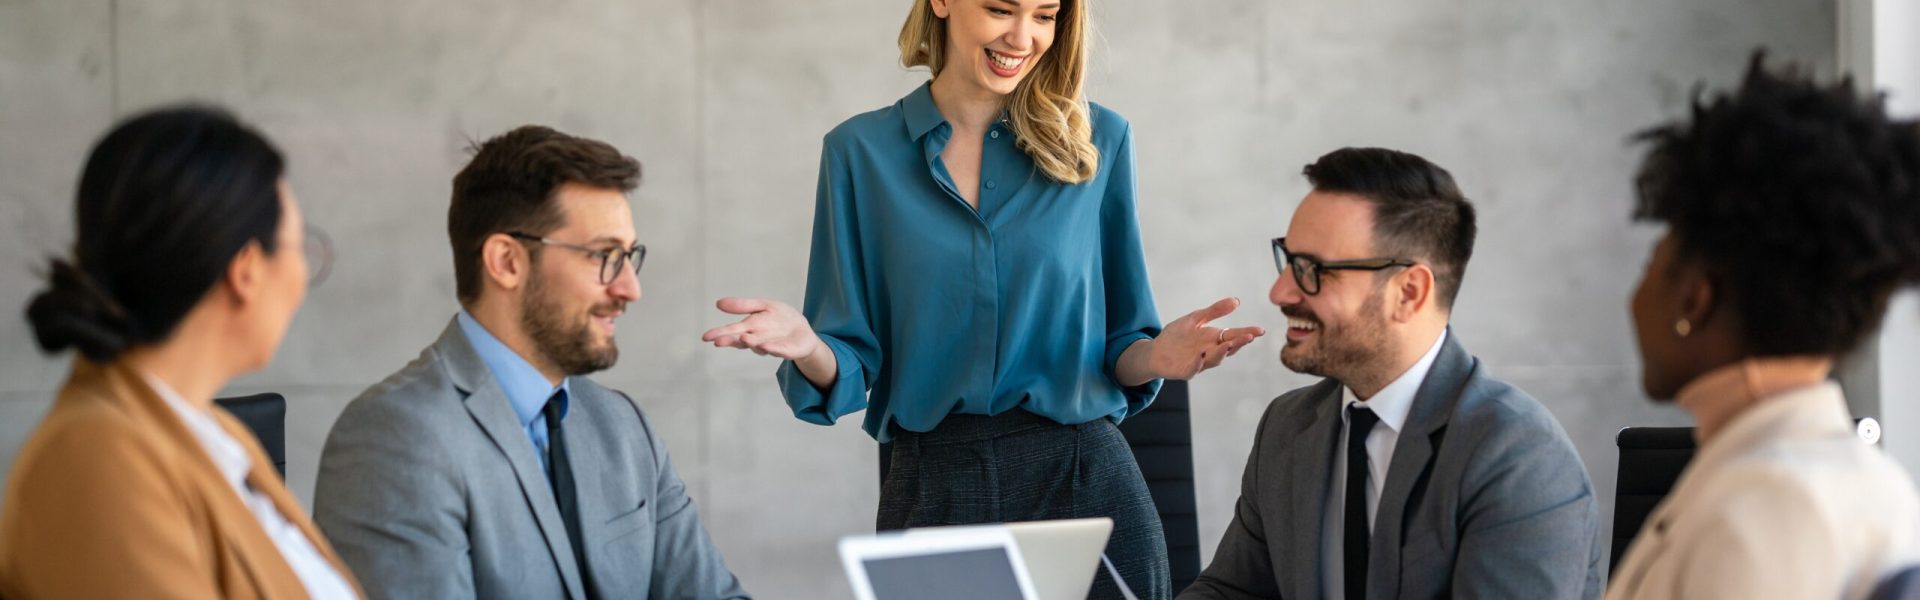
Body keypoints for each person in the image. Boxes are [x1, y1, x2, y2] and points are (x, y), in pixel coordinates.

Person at [700, 0, 1261, 597]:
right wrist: (811, 347)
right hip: (933, 485)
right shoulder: (858, 152)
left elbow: (1123, 345)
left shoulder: (1100, 140)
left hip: (1084, 482)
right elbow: (852, 360)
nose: (1023, 36)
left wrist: (1156, 356)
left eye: (1046, 16)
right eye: (1000, 9)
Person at [313, 125, 747, 599]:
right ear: (506, 262)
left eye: (629, 257)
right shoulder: (394, 438)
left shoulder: (623, 427)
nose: (629, 288)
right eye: (604, 255)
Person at [1183, 147, 1603, 599]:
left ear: (1409, 292)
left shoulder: (1518, 455)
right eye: (1288, 260)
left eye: (1313, 270)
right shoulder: (1287, 428)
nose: (1280, 291)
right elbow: (1233, 592)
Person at [0, 106, 361, 599]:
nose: (301, 277)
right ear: (247, 269)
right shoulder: (99, 460)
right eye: (300, 248)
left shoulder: (215, 434)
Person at [1605, 54, 1920, 600]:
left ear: (1695, 299)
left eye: (1649, 269)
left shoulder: (1769, 505)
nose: (1634, 300)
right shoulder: (1814, 474)